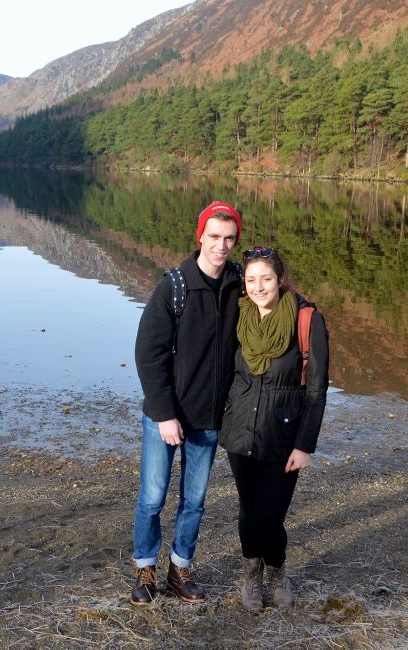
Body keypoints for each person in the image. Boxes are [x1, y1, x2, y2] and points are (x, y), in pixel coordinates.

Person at [130, 200, 244, 605]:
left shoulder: (238, 284)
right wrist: (163, 414)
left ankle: (180, 570)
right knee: (152, 497)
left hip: (208, 419)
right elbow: (148, 353)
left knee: (194, 502)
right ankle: (145, 570)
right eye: (214, 237)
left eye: (229, 238)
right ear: (200, 236)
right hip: (166, 416)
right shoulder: (174, 286)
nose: (221, 245)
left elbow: (274, 301)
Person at [219, 246, 329, 611]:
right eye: (251, 280)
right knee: (249, 509)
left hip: (283, 435)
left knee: (272, 513)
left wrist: (304, 445)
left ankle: (276, 570)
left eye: (266, 279)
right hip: (240, 431)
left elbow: (315, 390)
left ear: (280, 280)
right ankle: (252, 572)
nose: (258, 287)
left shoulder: (306, 318)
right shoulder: (238, 315)